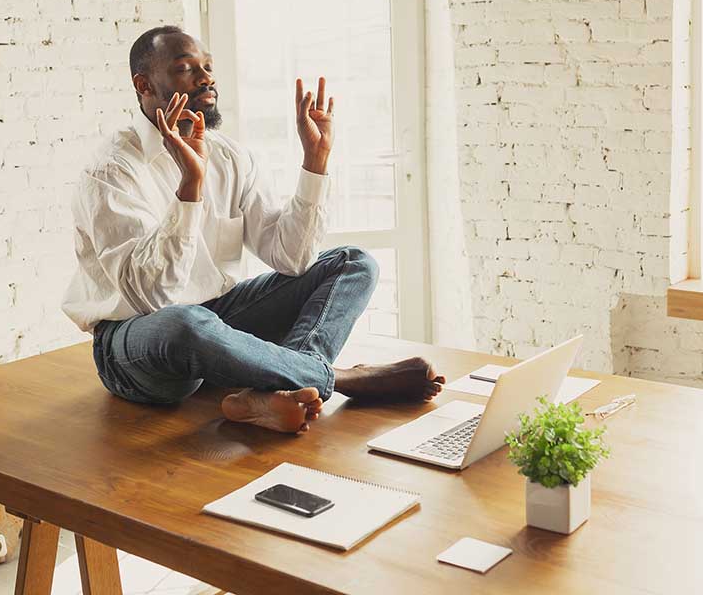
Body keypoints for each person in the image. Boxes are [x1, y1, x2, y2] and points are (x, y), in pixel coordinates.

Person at [62, 26, 444, 434]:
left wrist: (315, 162)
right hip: (137, 343)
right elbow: (155, 297)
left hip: (221, 320)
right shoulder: (111, 171)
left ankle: (276, 389)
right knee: (184, 322)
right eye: (185, 69)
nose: (206, 78)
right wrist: (190, 188)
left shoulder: (230, 155)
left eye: (207, 67)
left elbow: (292, 259)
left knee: (353, 262)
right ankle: (334, 377)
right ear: (144, 85)